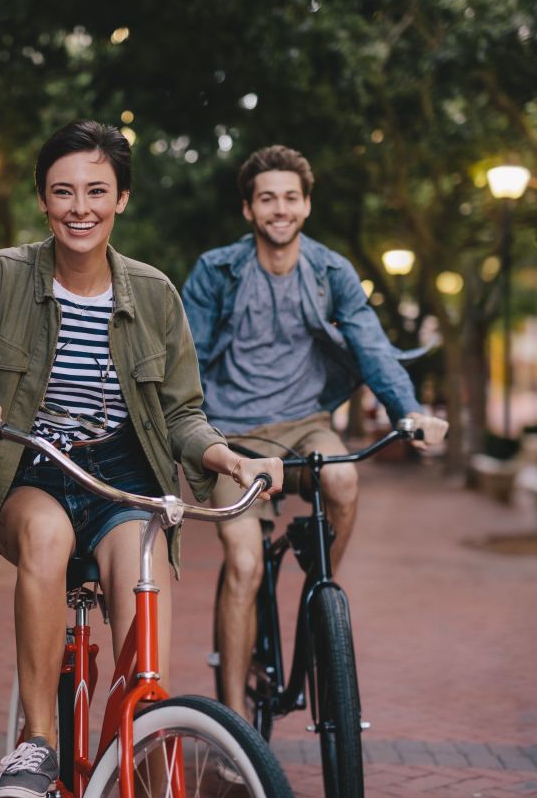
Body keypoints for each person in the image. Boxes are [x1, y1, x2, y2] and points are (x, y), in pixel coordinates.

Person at [0, 121, 283, 798]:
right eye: (63, 191)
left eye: (97, 190)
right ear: (43, 199)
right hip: (29, 467)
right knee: (47, 534)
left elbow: (184, 411)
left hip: (123, 476)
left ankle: (145, 745)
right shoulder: (1, 274)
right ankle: (36, 743)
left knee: (139, 608)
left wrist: (226, 455)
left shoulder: (154, 293)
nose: (80, 207)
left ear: (122, 198)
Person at [181, 144, 448, 724]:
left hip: (307, 424)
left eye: (291, 198)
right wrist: (193, 435)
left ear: (306, 205)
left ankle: (315, 596)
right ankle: (233, 726)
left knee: (346, 480)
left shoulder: (330, 272)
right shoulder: (216, 271)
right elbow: (189, 362)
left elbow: (372, 348)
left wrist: (409, 410)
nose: (280, 209)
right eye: (267, 198)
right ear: (249, 210)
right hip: (233, 435)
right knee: (246, 566)